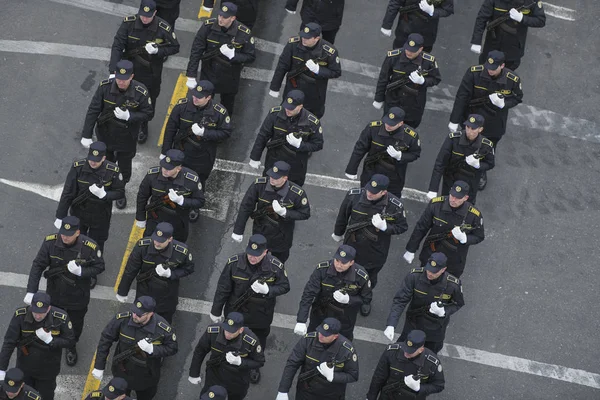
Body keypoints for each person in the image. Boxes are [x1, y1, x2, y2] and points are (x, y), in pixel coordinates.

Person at [25, 216, 105, 366]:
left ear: (77, 233)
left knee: (75, 325)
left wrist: (81, 272)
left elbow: (99, 267)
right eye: (62, 233)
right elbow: (38, 265)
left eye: (69, 235)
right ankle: (49, 342)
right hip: (55, 293)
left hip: (77, 296)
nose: (64, 237)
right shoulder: (50, 242)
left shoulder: (89, 247)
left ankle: (71, 347)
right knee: (51, 321)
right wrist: (31, 291)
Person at [210, 234, 290, 383]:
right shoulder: (234, 263)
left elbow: (285, 286)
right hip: (236, 311)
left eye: (257, 255)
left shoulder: (275, 266)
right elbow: (223, 288)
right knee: (229, 338)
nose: (252, 258)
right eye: (250, 254)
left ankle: (253, 366)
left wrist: (269, 290)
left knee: (258, 341)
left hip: (260, 315)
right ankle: (226, 361)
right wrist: (216, 310)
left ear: (265, 252)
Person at [81, 60, 153, 209]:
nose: (121, 82)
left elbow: (148, 113)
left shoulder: (141, 92)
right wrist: (86, 134)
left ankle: (121, 189)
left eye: (124, 79)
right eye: (118, 79)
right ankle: (105, 186)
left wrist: (130, 116)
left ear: (131, 76)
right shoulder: (105, 87)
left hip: (127, 137)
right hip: (105, 134)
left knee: (125, 166)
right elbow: (94, 109)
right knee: (106, 163)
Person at [332, 174, 408, 316]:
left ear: (383, 192)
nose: (369, 194)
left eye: (374, 193)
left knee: (369, 278)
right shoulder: (354, 195)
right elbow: (343, 215)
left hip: (376, 250)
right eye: (368, 190)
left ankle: (365, 299)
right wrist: (338, 233)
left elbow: (402, 227)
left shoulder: (395, 206)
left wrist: (386, 227)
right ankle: (342, 294)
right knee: (343, 271)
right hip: (352, 245)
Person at [448, 50, 523, 190]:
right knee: (466, 144)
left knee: (487, 148)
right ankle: (460, 170)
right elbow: (462, 96)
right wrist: (454, 119)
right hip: (472, 118)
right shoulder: (474, 73)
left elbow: (517, 97)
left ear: (502, 66)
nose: (490, 71)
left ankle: (481, 171)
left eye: (494, 69)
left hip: (494, 123)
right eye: (488, 68)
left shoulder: (512, 79)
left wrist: (504, 104)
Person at [109, 0, 181, 143]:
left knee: (149, 99)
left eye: (148, 16)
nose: (144, 18)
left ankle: (143, 125)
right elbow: (118, 45)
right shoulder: (129, 23)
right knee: (123, 94)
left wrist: (158, 51)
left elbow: (175, 47)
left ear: (154, 13)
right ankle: (123, 120)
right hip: (129, 68)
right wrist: (113, 70)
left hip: (150, 71)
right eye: (142, 15)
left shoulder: (162, 28)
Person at [54, 141, 123, 287]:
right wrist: (60, 215)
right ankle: (75, 266)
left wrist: (105, 195)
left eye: (97, 160)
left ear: (104, 158)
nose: (92, 162)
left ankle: (92, 272)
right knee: (76, 242)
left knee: (96, 244)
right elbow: (68, 192)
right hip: (79, 214)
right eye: (91, 159)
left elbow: (119, 192)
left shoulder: (113, 170)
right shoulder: (78, 167)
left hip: (100, 215)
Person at [162, 80, 232, 222]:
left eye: (199, 97)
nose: (195, 98)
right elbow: (170, 128)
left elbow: (226, 133)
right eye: (194, 95)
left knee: (199, 181)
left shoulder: (219, 113)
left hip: (203, 156)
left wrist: (205, 133)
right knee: (175, 178)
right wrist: (165, 151)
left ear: (209, 98)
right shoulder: (182, 106)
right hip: (181, 152)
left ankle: (194, 206)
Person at [92, 296, 178, 400]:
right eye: (134, 311)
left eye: (139, 314)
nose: (134, 316)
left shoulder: (162, 328)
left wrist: (153, 349)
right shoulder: (122, 319)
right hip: (122, 371)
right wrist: (99, 365)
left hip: (147, 375)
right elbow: (106, 339)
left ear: (150, 313)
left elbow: (172, 348)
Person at [383, 253, 464, 354]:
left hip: (435, 327)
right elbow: (400, 300)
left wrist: (443, 311)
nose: (430, 273)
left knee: (429, 355)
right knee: (402, 352)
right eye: (428, 269)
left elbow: (458, 303)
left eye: (434, 272)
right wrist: (391, 324)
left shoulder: (453, 285)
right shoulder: (414, 276)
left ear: (443, 270)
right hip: (413, 322)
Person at [0, 293, 75, 400]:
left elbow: (70, 341)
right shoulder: (20, 316)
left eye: (42, 313)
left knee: (46, 397)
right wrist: (1, 369)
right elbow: (9, 342)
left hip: (48, 368)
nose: (38, 316)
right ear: (31, 306)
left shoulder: (60, 317)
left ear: (49, 308)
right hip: (25, 366)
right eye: (35, 312)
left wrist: (51, 340)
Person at [186, 2, 256, 115]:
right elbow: (196, 51)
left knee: (227, 107)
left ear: (233, 18)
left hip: (230, 75)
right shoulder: (208, 27)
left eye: (225, 17)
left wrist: (234, 56)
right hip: (209, 72)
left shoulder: (243, 33)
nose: (220, 19)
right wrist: (191, 74)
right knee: (202, 105)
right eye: (220, 15)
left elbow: (251, 57)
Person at [403, 180, 485, 278]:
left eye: (458, 197)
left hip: (454, 259)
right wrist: (411, 249)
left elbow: (479, 236)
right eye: (452, 195)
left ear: (465, 198)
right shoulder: (436, 204)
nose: (453, 199)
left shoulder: (474, 215)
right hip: (432, 252)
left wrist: (465, 238)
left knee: (446, 287)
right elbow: (421, 227)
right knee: (424, 279)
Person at [232, 161, 311, 262]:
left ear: (285, 178)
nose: (271, 179)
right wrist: (238, 230)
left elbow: (305, 213)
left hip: (282, 235)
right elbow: (246, 207)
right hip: (260, 230)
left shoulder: (296, 193)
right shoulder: (259, 185)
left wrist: (285, 213)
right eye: (271, 176)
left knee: (277, 263)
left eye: (276, 178)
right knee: (255, 260)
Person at [117, 222, 195, 324]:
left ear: (170, 239)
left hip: (167, 294)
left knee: (163, 323)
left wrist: (171, 274)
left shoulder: (181, 252)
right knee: (140, 321)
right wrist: (122, 291)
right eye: (156, 239)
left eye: (161, 241)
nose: (157, 243)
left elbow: (189, 269)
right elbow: (131, 269)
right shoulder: (142, 246)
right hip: (145, 291)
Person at [294, 244, 372, 341]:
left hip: (345, 317)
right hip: (321, 313)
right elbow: (308, 294)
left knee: (341, 343)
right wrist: (301, 320)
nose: (338, 265)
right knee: (313, 339)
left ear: (351, 262)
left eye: (343, 263)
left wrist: (349, 299)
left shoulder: (361, 276)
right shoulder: (322, 270)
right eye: (337, 260)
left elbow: (366, 299)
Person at [249, 91, 324, 186]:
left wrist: (300, 145)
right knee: (268, 188)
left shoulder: (312, 122)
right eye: (286, 106)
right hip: (274, 160)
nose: (287, 110)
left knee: (291, 193)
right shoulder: (275, 114)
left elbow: (318, 144)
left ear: (300, 107)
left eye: (291, 108)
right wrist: (255, 157)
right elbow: (263, 135)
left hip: (296, 166)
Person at [344, 107, 421, 198]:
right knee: (366, 197)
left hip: (394, 176)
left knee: (391, 201)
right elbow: (360, 148)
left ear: (400, 123)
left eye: (392, 124)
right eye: (387, 122)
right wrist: (351, 169)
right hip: (371, 170)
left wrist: (400, 156)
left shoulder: (410, 136)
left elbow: (415, 154)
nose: (387, 125)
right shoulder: (373, 128)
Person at [269, 23, 341, 118]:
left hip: (314, 91)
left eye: (307, 38)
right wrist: (275, 86)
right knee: (286, 114)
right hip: (294, 86)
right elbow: (282, 65)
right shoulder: (293, 44)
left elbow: (336, 72)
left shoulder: (329, 52)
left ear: (317, 38)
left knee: (310, 118)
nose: (303, 39)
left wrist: (318, 70)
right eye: (303, 36)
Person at [276, 318, 359, 400]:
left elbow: (353, 375)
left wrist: (334, 376)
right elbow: (292, 364)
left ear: (335, 336)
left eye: (325, 335)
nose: (321, 335)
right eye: (320, 331)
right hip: (306, 391)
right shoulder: (308, 340)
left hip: (331, 395)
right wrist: (283, 390)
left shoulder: (346, 350)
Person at [188, 312, 265, 400]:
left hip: (237, 380)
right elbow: (200, 350)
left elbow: (259, 362)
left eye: (232, 332)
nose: (227, 334)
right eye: (226, 329)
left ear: (241, 330)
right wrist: (194, 373)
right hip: (215, 374)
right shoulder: (214, 331)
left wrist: (240, 362)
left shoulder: (250, 341)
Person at [135, 149, 205, 243]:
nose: (164, 170)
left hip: (178, 219)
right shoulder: (152, 175)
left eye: (169, 169)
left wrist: (182, 201)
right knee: (150, 242)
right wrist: (141, 217)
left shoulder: (191, 180)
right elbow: (142, 196)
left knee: (176, 245)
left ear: (178, 168)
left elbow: (200, 201)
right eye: (163, 166)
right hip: (156, 216)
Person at [373, 33, 441, 128]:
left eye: (413, 51)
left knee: (408, 133)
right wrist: (378, 98)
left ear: (420, 49)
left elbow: (436, 79)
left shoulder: (428, 61)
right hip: (394, 100)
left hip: (414, 105)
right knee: (388, 129)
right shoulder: (393, 57)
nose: (409, 52)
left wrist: (423, 81)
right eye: (407, 49)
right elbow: (383, 79)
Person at [428, 113, 495, 200]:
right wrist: (433, 189)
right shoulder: (453, 139)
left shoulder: (486, 145)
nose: (469, 131)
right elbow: (440, 163)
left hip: (470, 183)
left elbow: (490, 164)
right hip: (451, 180)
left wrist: (478, 165)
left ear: (480, 129)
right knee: (446, 205)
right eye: (467, 127)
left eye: (473, 128)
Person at [367, 330, 445, 399]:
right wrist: (370, 397)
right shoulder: (391, 352)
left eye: (411, 351)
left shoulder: (431, 363)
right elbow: (379, 376)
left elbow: (439, 385)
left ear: (421, 349)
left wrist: (419, 388)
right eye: (405, 348)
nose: (406, 353)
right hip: (389, 395)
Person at [470, 0, 546, 71]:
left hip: (513, 49)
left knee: (505, 77)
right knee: (485, 72)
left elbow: (541, 20)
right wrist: (476, 41)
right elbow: (482, 18)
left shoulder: (531, 1)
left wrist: (522, 18)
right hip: (493, 45)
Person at [381, 0, 454, 51]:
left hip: (427, 31)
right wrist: (387, 25)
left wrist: (432, 11)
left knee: (421, 60)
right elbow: (395, 3)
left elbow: (448, 10)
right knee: (398, 56)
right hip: (406, 28)